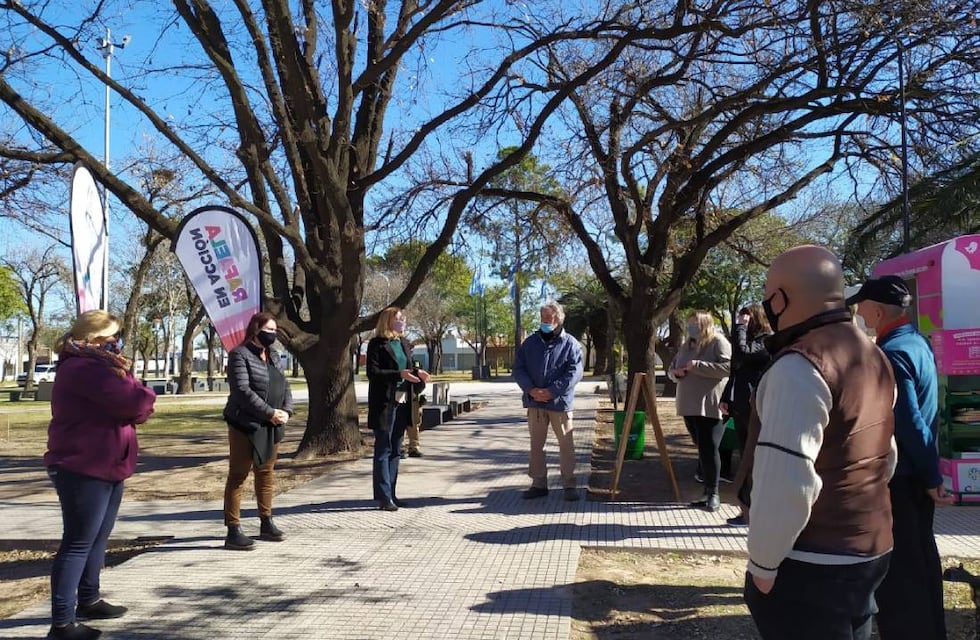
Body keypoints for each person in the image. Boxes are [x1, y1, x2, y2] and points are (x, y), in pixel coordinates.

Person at [744, 245, 898, 640]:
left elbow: (787, 478)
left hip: (813, 560)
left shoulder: (800, 366)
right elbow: (886, 453)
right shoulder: (873, 353)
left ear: (779, 299)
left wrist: (762, 565)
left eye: (767, 295)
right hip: (872, 546)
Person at [44, 310, 157, 640]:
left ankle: (89, 599)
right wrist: (145, 394)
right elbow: (136, 403)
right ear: (93, 339)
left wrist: (134, 387)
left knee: (97, 537)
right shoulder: (84, 368)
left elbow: (132, 397)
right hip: (83, 467)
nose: (117, 343)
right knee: (78, 542)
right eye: (112, 337)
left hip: (107, 464)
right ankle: (62, 623)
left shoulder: (105, 366)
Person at [850, 275, 951, 640]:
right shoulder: (917, 342)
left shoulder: (891, 352)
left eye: (862, 305)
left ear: (877, 310)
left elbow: (908, 422)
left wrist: (931, 476)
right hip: (917, 476)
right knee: (923, 561)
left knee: (903, 571)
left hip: (904, 478)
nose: (858, 311)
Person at [222, 311, 294, 550]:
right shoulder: (238, 355)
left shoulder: (273, 355)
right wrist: (269, 412)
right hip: (245, 424)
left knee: (266, 473)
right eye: (269, 330)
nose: (273, 335)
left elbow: (284, 385)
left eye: (275, 331)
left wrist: (286, 410)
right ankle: (233, 529)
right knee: (238, 475)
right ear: (255, 329)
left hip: (271, 424)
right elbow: (242, 391)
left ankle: (266, 521)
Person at [513, 301, 584, 502]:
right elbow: (519, 369)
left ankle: (569, 485)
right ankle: (538, 484)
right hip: (535, 403)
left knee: (566, 445)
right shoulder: (530, 343)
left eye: (549, 318)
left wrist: (552, 391)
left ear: (558, 320)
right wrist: (531, 390)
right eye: (542, 318)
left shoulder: (571, 344)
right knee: (536, 446)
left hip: (559, 404)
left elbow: (575, 373)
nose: (545, 322)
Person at [668, 311, 731, 512]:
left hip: (710, 405)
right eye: (689, 324)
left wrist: (698, 366)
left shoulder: (718, 342)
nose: (691, 328)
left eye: (695, 324)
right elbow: (672, 368)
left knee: (709, 448)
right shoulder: (687, 345)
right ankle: (706, 492)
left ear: (705, 324)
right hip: (688, 405)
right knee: (701, 448)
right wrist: (675, 374)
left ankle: (713, 493)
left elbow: (728, 367)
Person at [366, 307, 428, 511]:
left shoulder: (402, 342)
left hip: (404, 403)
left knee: (396, 449)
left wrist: (419, 376)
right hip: (384, 403)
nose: (402, 322)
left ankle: (391, 494)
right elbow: (373, 373)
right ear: (388, 321)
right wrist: (398, 374)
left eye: (403, 319)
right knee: (383, 449)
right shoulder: (377, 344)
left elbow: (408, 369)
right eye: (399, 319)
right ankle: (383, 497)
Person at [720, 304, 772, 526]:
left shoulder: (766, 340)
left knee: (753, 460)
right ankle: (745, 510)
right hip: (739, 406)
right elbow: (735, 369)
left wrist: (740, 328)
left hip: (755, 408)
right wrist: (726, 396)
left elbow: (744, 353)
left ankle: (754, 511)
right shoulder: (744, 340)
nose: (742, 321)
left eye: (746, 317)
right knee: (745, 458)